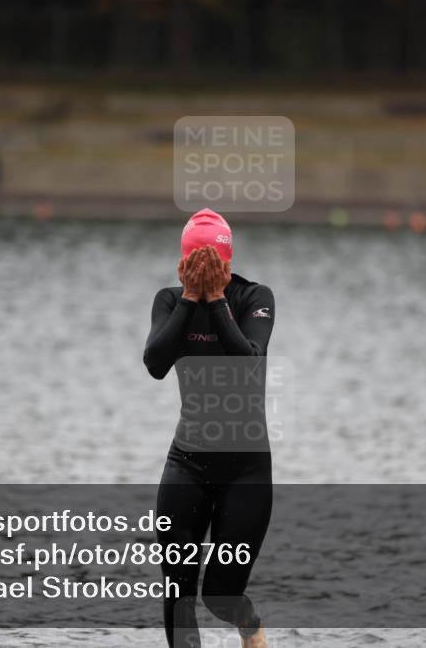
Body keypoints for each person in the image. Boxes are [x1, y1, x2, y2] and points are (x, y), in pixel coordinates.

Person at [143, 209, 275, 648]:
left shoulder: (254, 297)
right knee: (178, 589)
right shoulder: (168, 302)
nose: (202, 271)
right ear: (182, 263)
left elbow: (249, 363)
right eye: (194, 262)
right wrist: (188, 299)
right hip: (187, 462)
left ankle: (250, 626)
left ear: (227, 262)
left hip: (246, 471)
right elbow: (155, 364)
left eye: (211, 263)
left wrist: (217, 299)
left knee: (220, 596)